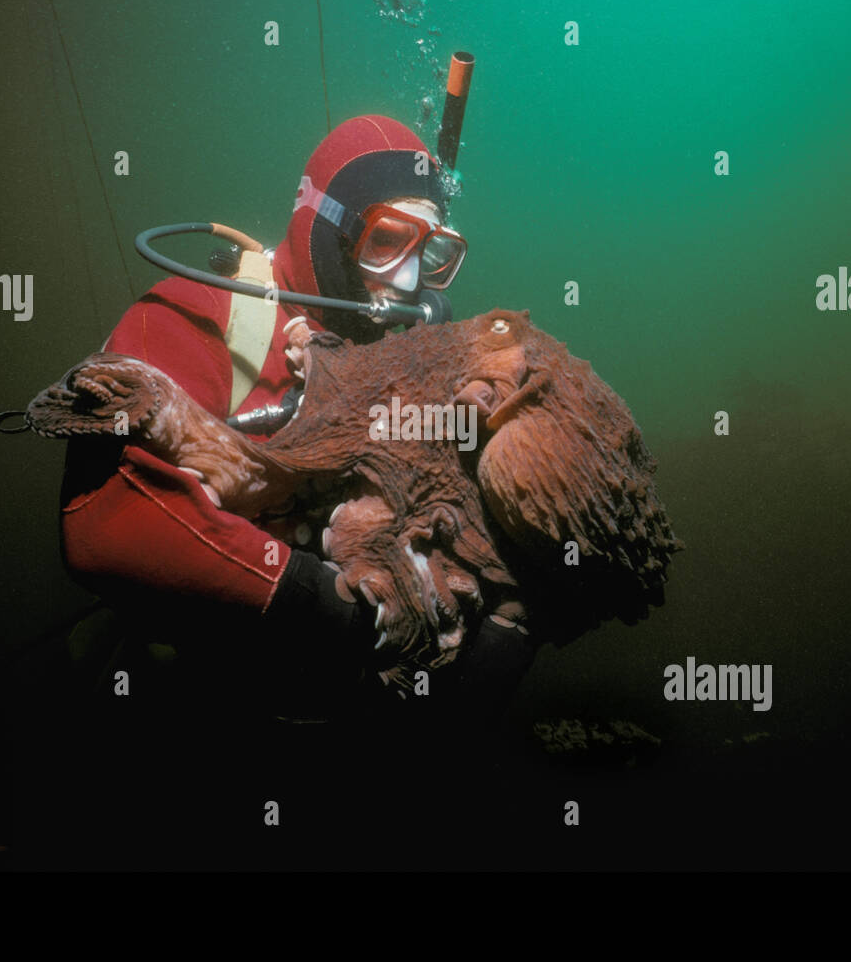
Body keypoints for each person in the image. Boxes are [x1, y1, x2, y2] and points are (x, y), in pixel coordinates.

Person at [56, 115, 534, 722]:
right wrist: (311, 598)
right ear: (329, 227)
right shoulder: (196, 313)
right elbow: (102, 520)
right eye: (386, 242)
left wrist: (505, 617)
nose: (410, 279)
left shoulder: (408, 357)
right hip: (197, 698)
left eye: (431, 252)